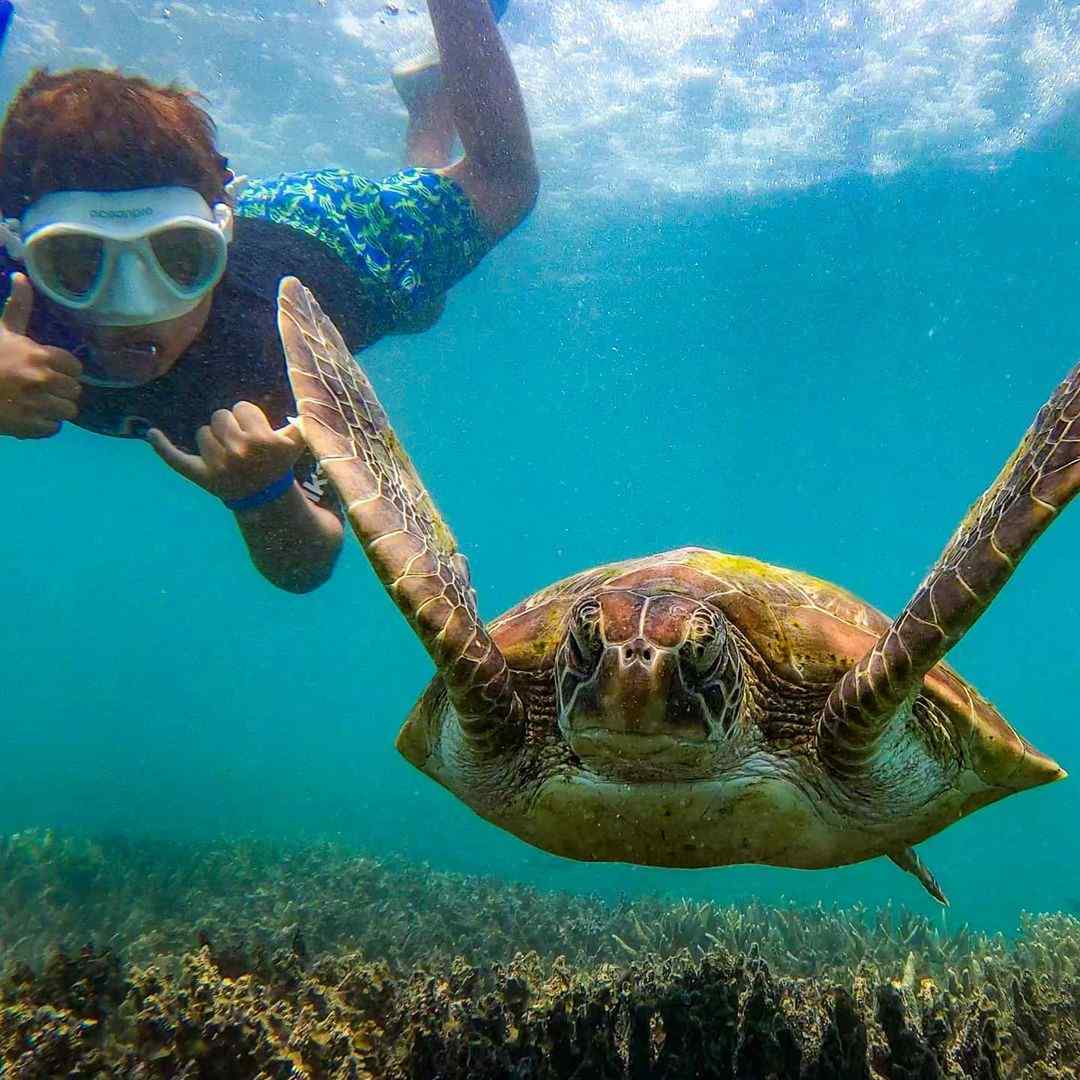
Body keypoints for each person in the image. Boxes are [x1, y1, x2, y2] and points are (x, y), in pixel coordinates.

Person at [0, 0, 537, 592]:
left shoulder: (262, 354)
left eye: (179, 260)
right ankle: (430, 105)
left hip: (334, 234)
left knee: (501, 186)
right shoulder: (10, 301)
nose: (133, 306)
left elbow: (306, 565)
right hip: (236, 221)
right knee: (426, 310)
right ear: (18, 251)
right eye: (77, 264)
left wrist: (263, 496)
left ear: (218, 242)